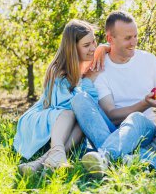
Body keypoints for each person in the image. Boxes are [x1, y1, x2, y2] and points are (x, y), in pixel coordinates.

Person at [71, 11, 156, 178]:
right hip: (112, 128)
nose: (134, 42)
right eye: (127, 38)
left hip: (143, 129)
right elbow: (111, 115)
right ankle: (116, 156)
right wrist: (144, 103)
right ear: (110, 39)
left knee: (136, 117)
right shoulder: (100, 67)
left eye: (136, 36)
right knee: (79, 98)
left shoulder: (148, 60)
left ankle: (103, 156)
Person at [13, 19, 104, 175]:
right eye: (86, 45)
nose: (93, 48)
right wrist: (88, 81)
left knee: (82, 121)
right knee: (72, 113)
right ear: (72, 48)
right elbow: (69, 105)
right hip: (46, 115)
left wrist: (103, 48)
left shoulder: (83, 65)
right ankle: (56, 153)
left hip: (64, 121)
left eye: (94, 42)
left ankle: (39, 163)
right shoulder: (59, 70)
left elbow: (87, 106)